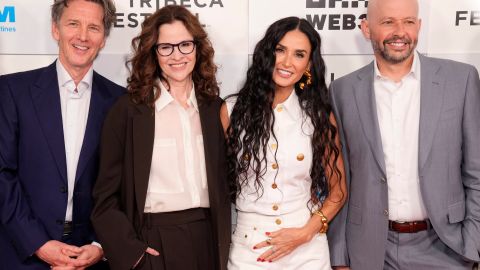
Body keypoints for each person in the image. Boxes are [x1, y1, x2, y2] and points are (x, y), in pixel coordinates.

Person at [328, 0, 480, 269]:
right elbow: (342, 180)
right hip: (370, 250)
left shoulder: (461, 80)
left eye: (408, 22)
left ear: (419, 26)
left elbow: (476, 172)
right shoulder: (342, 91)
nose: (400, 32)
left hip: (447, 248)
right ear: (366, 28)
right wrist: (340, 254)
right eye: (388, 22)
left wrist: (473, 244)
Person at [90, 5, 231, 270]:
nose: (177, 55)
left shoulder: (216, 109)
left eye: (185, 45)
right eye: (166, 47)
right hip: (152, 243)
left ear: (197, 49)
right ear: (153, 53)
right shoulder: (128, 112)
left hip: (208, 240)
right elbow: (105, 198)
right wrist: (132, 254)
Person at [0, 0, 124, 269]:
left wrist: (100, 245)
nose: (82, 36)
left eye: (93, 27)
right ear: (55, 29)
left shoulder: (121, 102)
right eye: (73, 24)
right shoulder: (12, 91)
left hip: (90, 258)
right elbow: (2, 174)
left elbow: (125, 185)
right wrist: (38, 244)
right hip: (22, 252)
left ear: (103, 39)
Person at [221, 16, 346, 269]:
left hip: (307, 250)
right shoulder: (231, 111)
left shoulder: (318, 115)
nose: (287, 62)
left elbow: (338, 192)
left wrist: (306, 232)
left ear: (309, 64)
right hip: (250, 250)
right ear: (267, 53)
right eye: (280, 50)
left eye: (299, 54)